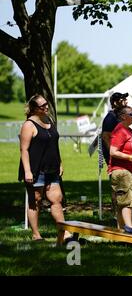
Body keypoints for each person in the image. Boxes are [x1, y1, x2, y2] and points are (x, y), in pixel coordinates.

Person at [18, 94, 72, 242]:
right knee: (35, 201)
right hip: (35, 169)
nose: (46, 107)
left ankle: (64, 232)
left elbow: (54, 145)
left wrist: (59, 163)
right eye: (42, 106)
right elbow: (24, 150)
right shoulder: (29, 125)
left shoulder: (49, 120)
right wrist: (27, 171)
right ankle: (36, 234)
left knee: (57, 199)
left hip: (52, 168)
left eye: (46, 104)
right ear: (35, 109)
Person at [109, 106, 132, 234]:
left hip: (129, 171)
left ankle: (122, 229)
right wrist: (129, 157)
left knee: (126, 200)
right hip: (121, 171)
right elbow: (113, 152)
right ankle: (129, 228)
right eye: (131, 114)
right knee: (127, 200)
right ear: (123, 116)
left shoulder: (129, 130)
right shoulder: (120, 131)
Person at [101, 92, 128, 220]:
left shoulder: (119, 116)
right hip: (114, 156)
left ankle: (124, 211)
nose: (126, 102)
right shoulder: (110, 117)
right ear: (116, 103)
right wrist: (112, 154)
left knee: (125, 182)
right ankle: (116, 213)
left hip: (122, 155)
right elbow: (105, 136)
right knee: (117, 184)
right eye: (123, 100)